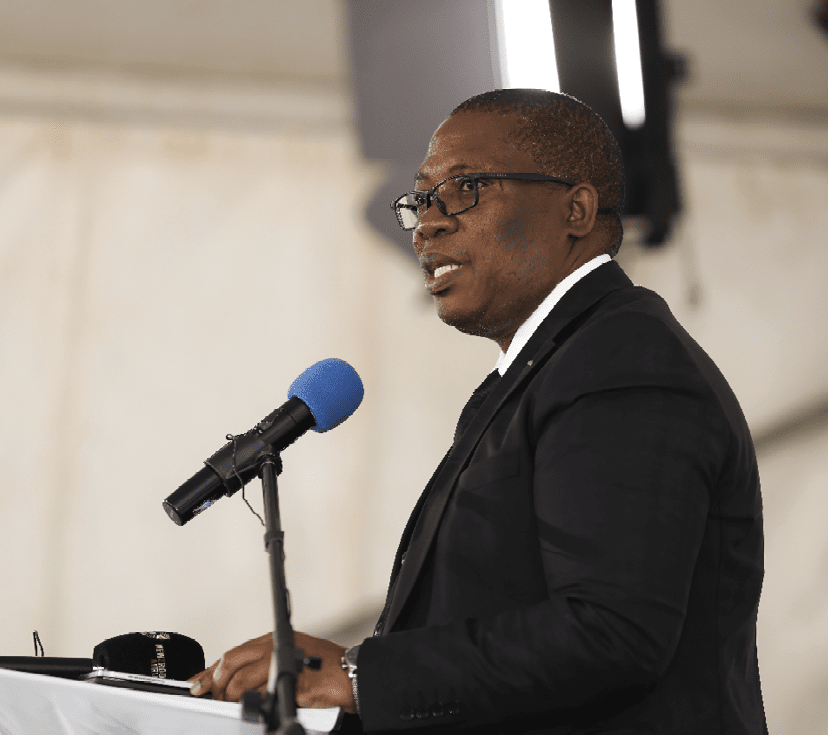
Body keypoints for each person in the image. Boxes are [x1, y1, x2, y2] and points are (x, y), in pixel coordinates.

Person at [187, 89, 767, 734]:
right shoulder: (545, 369)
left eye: (466, 189)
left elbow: (612, 630)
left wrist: (359, 677)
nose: (429, 224)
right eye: (422, 199)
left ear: (576, 209)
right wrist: (346, 681)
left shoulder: (620, 363)